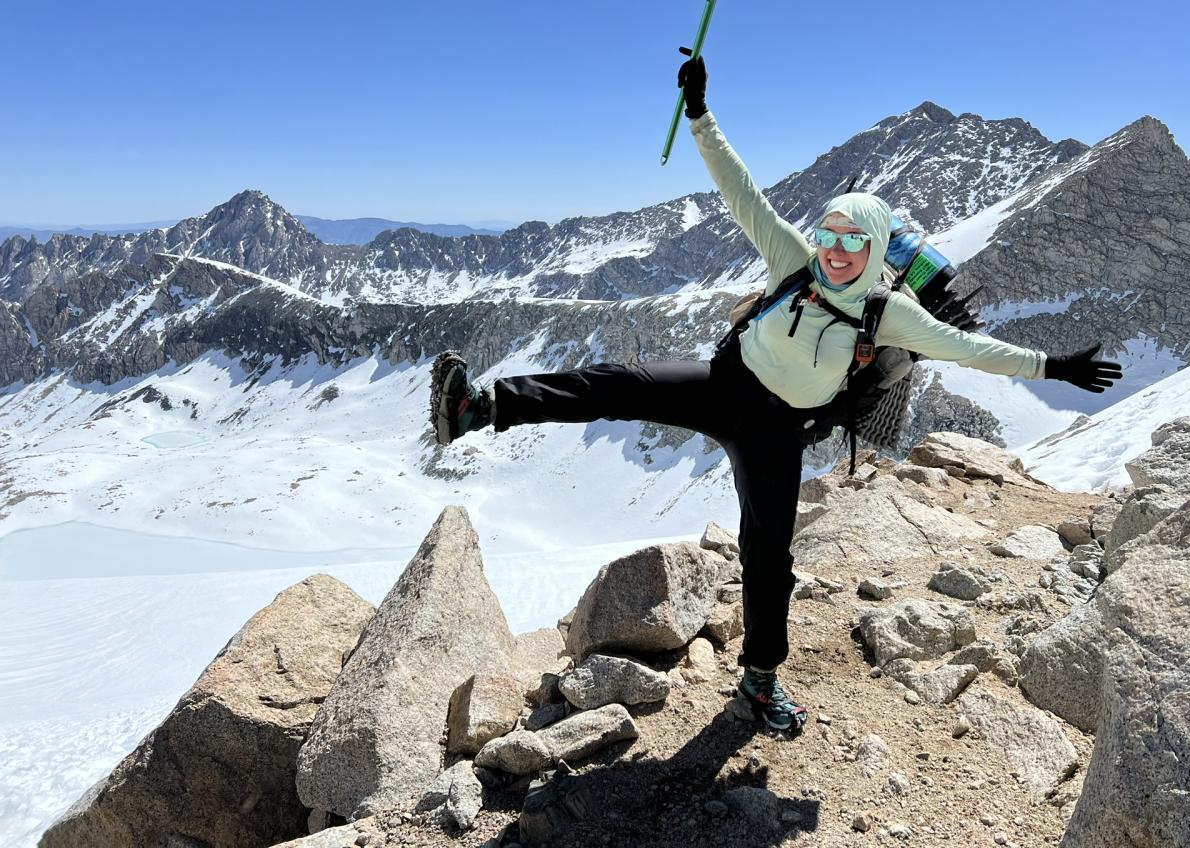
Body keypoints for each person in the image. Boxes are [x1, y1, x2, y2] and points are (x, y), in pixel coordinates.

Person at [429, 52, 1122, 733]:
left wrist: (1052, 366)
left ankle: (760, 683)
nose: (836, 250)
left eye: (853, 240)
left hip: (777, 429)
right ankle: (479, 409)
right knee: (615, 383)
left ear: (877, 248)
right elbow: (741, 192)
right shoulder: (795, 260)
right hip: (723, 385)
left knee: (769, 558)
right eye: (829, 234)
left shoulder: (889, 314)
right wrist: (700, 113)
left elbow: (970, 348)